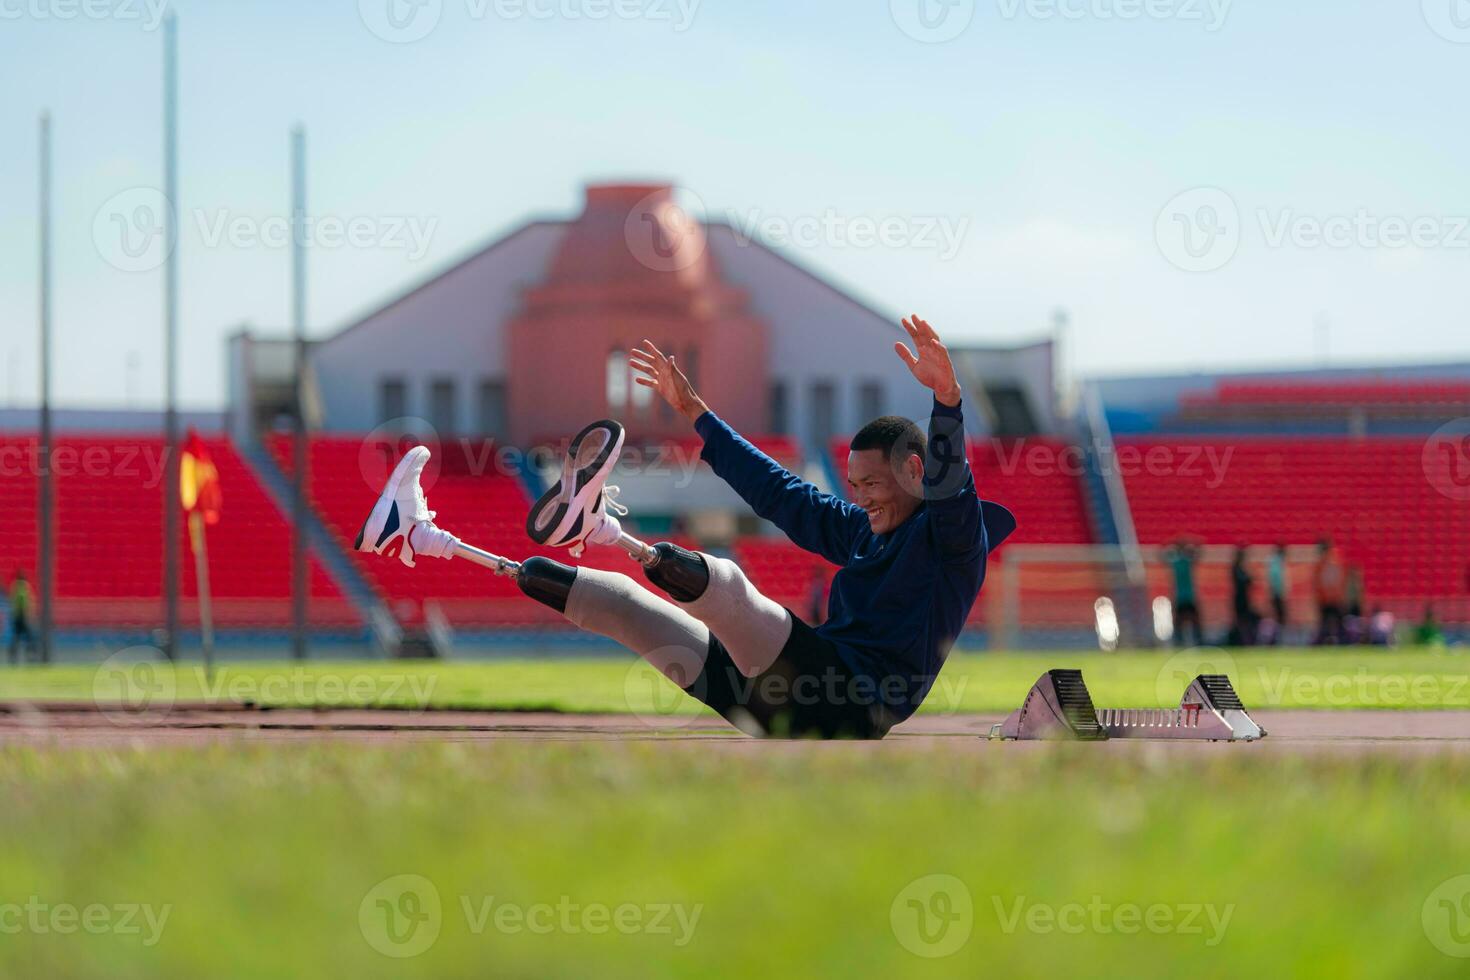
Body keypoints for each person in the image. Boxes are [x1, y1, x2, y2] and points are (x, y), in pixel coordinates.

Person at [355, 316, 1015, 739]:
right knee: (625, 610)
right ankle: (423, 536)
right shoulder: (865, 532)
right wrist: (698, 412)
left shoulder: (951, 540)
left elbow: (953, 481)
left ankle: (606, 530)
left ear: (912, 471)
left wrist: (948, 402)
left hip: (851, 701)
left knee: (731, 590)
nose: (861, 497)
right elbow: (783, 495)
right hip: (779, 709)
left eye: (872, 484)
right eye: (855, 486)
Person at [1163, 537, 1204, 647]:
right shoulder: (1182, 562)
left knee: (1189, 621)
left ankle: (1187, 640)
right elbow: (1198, 554)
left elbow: (1161, 556)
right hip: (1183, 596)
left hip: (1186, 596)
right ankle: (1186, 640)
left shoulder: (1180, 562)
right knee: (1184, 621)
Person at [1313, 538, 1348, 645]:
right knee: (1325, 623)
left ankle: (1343, 641)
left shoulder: (1333, 562)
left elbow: (1338, 581)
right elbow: (1318, 582)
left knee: (1338, 622)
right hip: (1325, 599)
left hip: (1333, 599)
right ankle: (1324, 642)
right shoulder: (1321, 564)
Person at [1230, 545, 1257, 646]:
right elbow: (1245, 581)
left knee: (1246, 619)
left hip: (1244, 598)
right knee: (1241, 620)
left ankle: (1246, 639)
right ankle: (1241, 640)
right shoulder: (1236, 568)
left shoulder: (1241, 568)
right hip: (1239, 598)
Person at [7, 569, 36, 665]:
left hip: (16, 616)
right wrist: (30, 614)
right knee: (29, 636)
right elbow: (28, 602)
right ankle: (30, 654)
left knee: (16, 636)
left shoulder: (14, 586)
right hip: (23, 615)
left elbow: (12, 601)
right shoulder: (25, 586)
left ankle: (12, 655)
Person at [1266, 542, 1289, 642]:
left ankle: (1277, 638)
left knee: (1279, 618)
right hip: (1277, 595)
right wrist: (1281, 593)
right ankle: (1277, 639)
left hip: (1277, 594)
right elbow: (1276, 581)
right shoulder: (1276, 562)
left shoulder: (1276, 562)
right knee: (1279, 618)